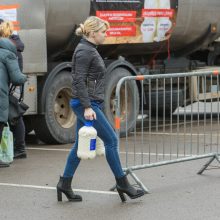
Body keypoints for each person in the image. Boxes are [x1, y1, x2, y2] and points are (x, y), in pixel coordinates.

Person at [56, 16, 145, 202]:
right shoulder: (84, 51)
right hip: (86, 104)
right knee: (111, 140)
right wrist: (87, 107)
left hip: (88, 102)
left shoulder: (89, 49)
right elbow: (78, 80)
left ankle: (64, 183)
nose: (106, 35)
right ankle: (122, 183)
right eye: (103, 32)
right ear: (92, 33)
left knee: (80, 145)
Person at [0, 20, 27, 159]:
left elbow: (16, 71)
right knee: (13, 115)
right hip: (12, 85)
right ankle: (19, 148)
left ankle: (20, 148)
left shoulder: (10, 48)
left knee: (15, 115)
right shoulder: (13, 46)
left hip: (11, 86)